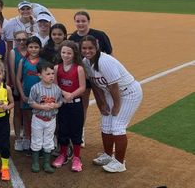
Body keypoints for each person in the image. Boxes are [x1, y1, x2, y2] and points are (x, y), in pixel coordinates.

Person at [81, 35, 142, 173]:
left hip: (128, 93)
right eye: (84, 48)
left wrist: (116, 106)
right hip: (110, 93)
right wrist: (101, 104)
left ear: (96, 47)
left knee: (118, 125)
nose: (87, 51)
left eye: (90, 48)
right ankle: (108, 155)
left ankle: (120, 163)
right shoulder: (86, 62)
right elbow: (96, 85)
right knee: (106, 124)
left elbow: (114, 86)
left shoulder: (104, 61)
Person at [68, 10, 113, 146]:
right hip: (84, 78)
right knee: (83, 105)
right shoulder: (72, 39)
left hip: (100, 76)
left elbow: (110, 54)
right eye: (78, 21)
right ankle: (80, 133)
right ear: (75, 22)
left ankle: (111, 132)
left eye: (83, 21)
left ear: (88, 21)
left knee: (104, 103)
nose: (80, 23)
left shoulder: (99, 35)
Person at [52, 40, 86, 172]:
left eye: (69, 53)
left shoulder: (79, 68)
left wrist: (71, 95)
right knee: (63, 130)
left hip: (75, 104)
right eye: (63, 52)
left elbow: (82, 87)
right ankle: (63, 154)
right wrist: (65, 93)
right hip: (63, 104)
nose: (66, 55)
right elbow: (55, 85)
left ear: (74, 54)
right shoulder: (56, 68)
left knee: (76, 130)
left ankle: (77, 157)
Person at [28, 62, 63, 174]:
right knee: (36, 140)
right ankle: (35, 162)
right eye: (47, 74)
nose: (51, 76)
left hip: (51, 119)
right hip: (38, 118)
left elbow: (60, 102)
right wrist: (42, 107)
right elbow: (31, 102)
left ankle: (47, 163)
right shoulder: (35, 88)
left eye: (52, 73)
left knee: (48, 140)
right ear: (39, 75)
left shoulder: (56, 89)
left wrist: (55, 105)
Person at [15, 36, 43, 153]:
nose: (33, 49)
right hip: (26, 95)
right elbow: (18, 79)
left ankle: (39, 143)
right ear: (27, 48)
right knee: (27, 119)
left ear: (40, 48)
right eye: (31, 47)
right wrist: (22, 95)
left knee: (39, 120)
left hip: (40, 97)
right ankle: (29, 140)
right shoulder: (23, 61)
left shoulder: (42, 62)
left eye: (36, 47)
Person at [8, 31, 28, 152]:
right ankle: (17, 138)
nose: (21, 42)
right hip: (17, 87)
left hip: (27, 88)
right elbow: (12, 71)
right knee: (17, 112)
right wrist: (16, 88)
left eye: (24, 39)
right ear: (15, 40)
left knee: (26, 113)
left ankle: (26, 136)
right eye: (19, 39)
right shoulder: (13, 52)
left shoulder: (31, 51)